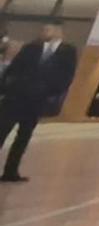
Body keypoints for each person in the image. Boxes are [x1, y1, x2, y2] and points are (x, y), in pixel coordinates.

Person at [0, 22, 80, 183]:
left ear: (59, 31)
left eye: (48, 29)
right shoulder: (31, 48)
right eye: (43, 29)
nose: (44, 32)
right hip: (15, 98)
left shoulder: (68, 52)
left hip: (37, 101)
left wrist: (49, 91)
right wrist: (7, 88)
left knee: (23, 137)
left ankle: (11, 171)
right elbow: (13, 69)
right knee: (2, 131)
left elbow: (67, 75)